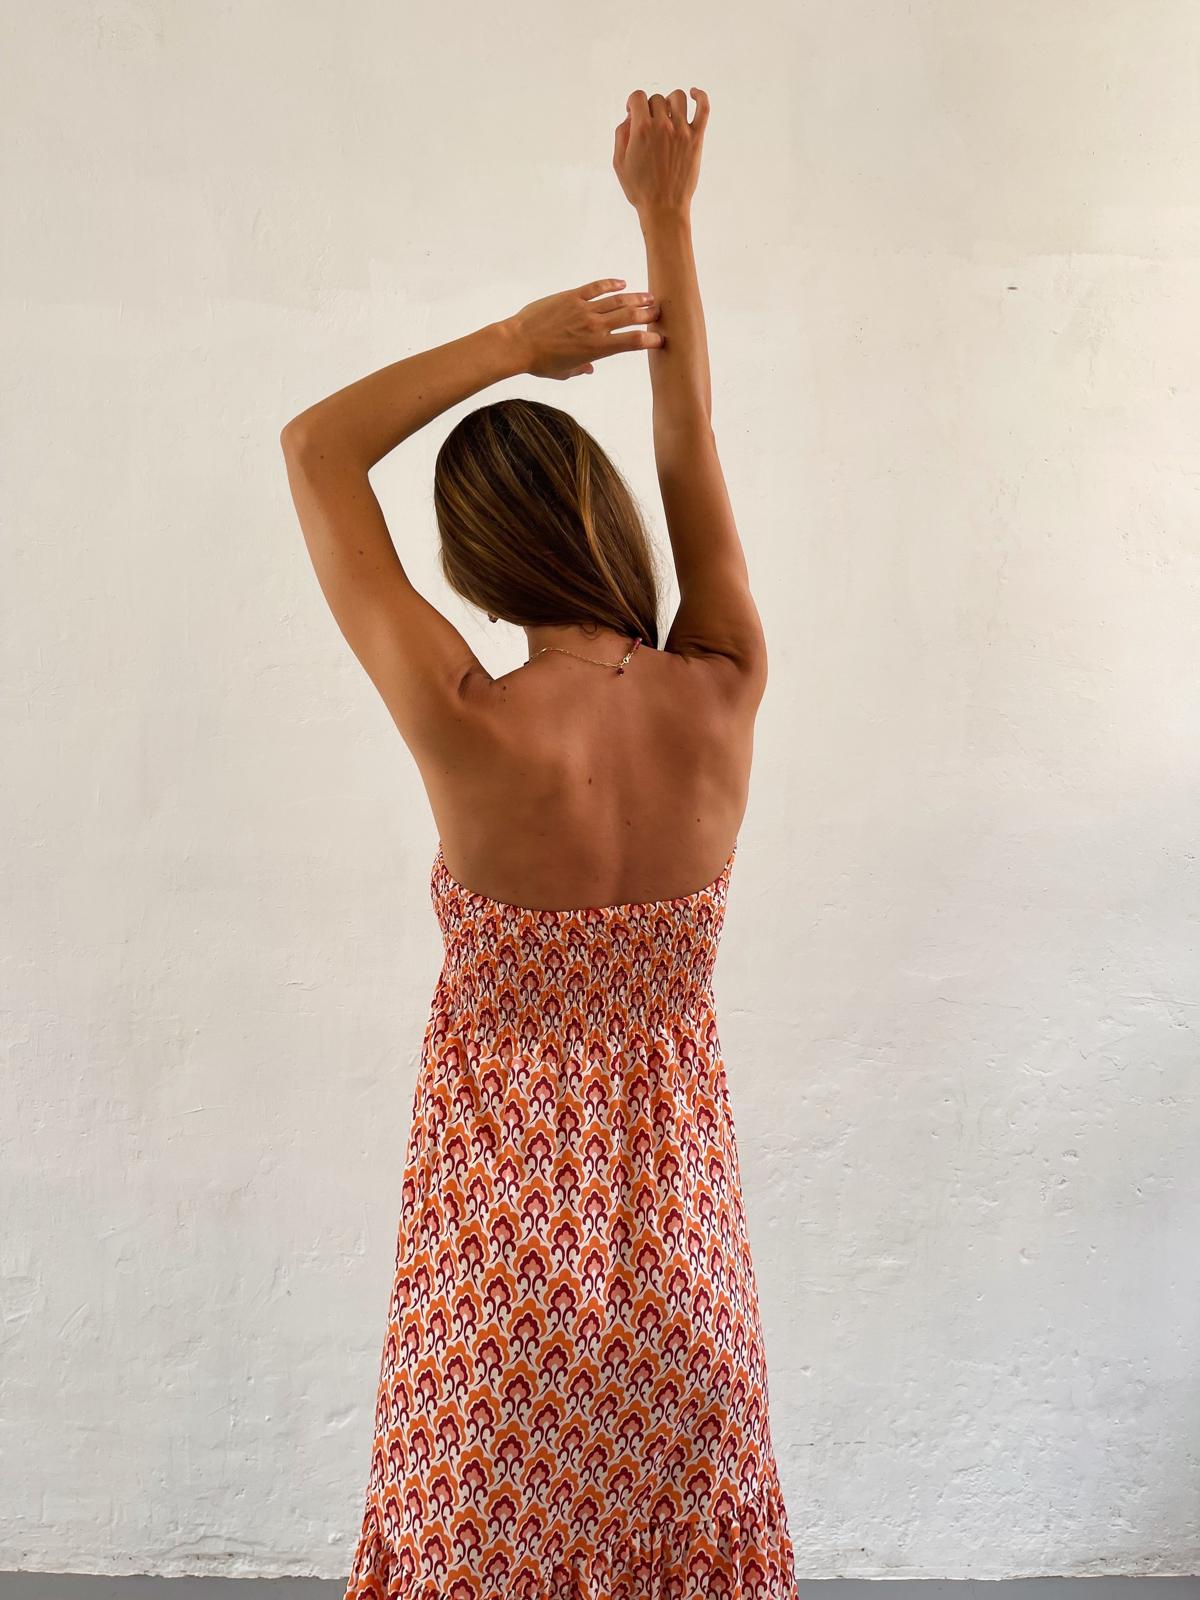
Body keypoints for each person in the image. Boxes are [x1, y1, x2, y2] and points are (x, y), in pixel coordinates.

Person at [281, 86, 798, 1600]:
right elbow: (691, 444)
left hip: (494, 1283)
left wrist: (518, 341)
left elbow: (317, 450)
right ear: (609, 524)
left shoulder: (467, 722)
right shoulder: (724, 684)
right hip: (680, 1276)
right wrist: (665, 221)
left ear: (468, 566)